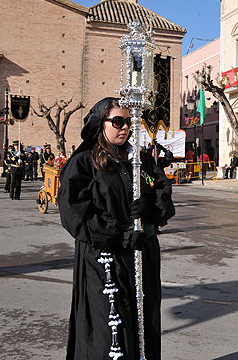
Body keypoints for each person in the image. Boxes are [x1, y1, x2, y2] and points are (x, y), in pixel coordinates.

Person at [58, 97, 175, 359]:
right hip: (105, 258)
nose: (125, 128)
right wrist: (118, 234)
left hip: (142, 254)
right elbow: (74, 212)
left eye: (129, 123)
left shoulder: (141, 161)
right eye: (118, 121)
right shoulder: (84, 163)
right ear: (101, 123)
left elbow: (164, 197)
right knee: (109, 332)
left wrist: (149, 206)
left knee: (142, 325)